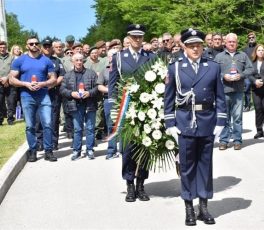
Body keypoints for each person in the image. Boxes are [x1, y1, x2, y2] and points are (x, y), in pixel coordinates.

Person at [164, 28, 227, 226]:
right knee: (187, 166)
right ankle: (189, 208)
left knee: (205, 166)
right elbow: (169, 98)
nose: (195, 48)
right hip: (185, 122)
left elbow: (220, 96)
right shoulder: (175, 67)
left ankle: (204, 207)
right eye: (191, 45)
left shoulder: (213, 67)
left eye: (198, 45)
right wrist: (170, 123)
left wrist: (221, 121)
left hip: (207, 120)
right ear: (184, 46)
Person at [108, 24, 155, 202]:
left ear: (143, 38)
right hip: (126, 108)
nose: (137, 39)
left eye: (140, 37)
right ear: (128, 37)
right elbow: (113, 83)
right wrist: (114, 107)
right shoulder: (118, 57)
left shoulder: (151, 56)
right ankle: (129, 184)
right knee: (128, 148)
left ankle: (141, 184)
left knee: (145, 146)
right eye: (134, 36)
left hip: (147, 108)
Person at [8, 36, 57, 162]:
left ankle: (48, 151)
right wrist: (26, 84)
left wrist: (42, 84)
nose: (34, 45)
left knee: (47, 123)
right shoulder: (20, 60)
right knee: (30, 126)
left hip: (43, 95)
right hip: (26, 95)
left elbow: (54, 79)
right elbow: (11, 79)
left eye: (36, 43)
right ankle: (33, 151)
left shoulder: (46, 60)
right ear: (27, 45)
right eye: (31, 43)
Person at [214, 33, 254, 151]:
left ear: (237, 43)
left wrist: (240, 75)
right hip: (223, 91)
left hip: (238, 91)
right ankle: (223, 140)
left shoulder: (243, 55)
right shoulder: (219, 57)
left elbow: (251, 69)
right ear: (225, 43)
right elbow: (213, 71)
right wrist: (223, 76)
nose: (231, 43)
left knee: (237, 117)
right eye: (229, 41)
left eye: (234, 42)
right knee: (224, 117)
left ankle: (237, 140)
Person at [60, 53, 99, 160]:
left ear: (83, 61)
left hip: (90, 104)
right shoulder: (67, 75)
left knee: (90, 128)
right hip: (75, 105)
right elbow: (62, 90)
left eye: (80, 60)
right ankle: (77, 151)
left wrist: (90, 93)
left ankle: (90, 150)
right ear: (73, 62)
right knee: (77, 129)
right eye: (76, 60)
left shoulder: (91, 73)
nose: (78, 62)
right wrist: (71, 94)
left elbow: (97, 87)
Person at [35, 38, 66, 151]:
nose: (47, 48)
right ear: (42, 48)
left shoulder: (57, 61)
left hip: (54, 93)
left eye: (49, 46)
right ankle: (40, 142)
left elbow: (62, 75)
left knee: (54, 118)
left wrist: (52, 85)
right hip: (39, 93)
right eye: (45, 46)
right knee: (39, 118)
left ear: (52, 48)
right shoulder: (37, 60)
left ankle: (53, 142)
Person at [0, 41, 16, 125]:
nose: (2, 49)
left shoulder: (12, 57)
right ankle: (0, 120)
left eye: (4, 47)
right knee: (0, 102)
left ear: (6, 48)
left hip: (10, 83)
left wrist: (6, 78)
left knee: (11, 102)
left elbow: (13, 70)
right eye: (1, 47)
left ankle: (10, 119)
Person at [242, 32, 257, 112]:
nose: (251, 38)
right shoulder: (245, 49)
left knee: (257, 88)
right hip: (247, 72)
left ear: (255, 37)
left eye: (253, 37)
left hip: (257, 72)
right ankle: (247, 105)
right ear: (248, 39)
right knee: (247, 87)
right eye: (250, 37)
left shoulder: (259, 47)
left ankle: (257, 105)